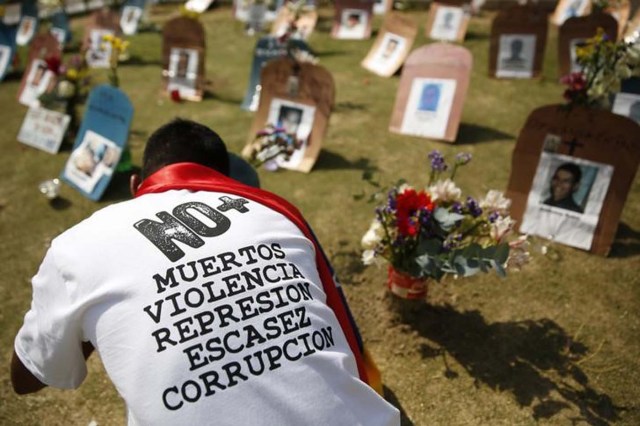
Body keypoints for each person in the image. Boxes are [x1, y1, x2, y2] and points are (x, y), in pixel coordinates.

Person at [11, 118, 400, 425]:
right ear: (227, 181)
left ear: (135, 186)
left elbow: (26, 378)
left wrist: (92, 320)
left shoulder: (78, 245)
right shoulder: (275, 217)